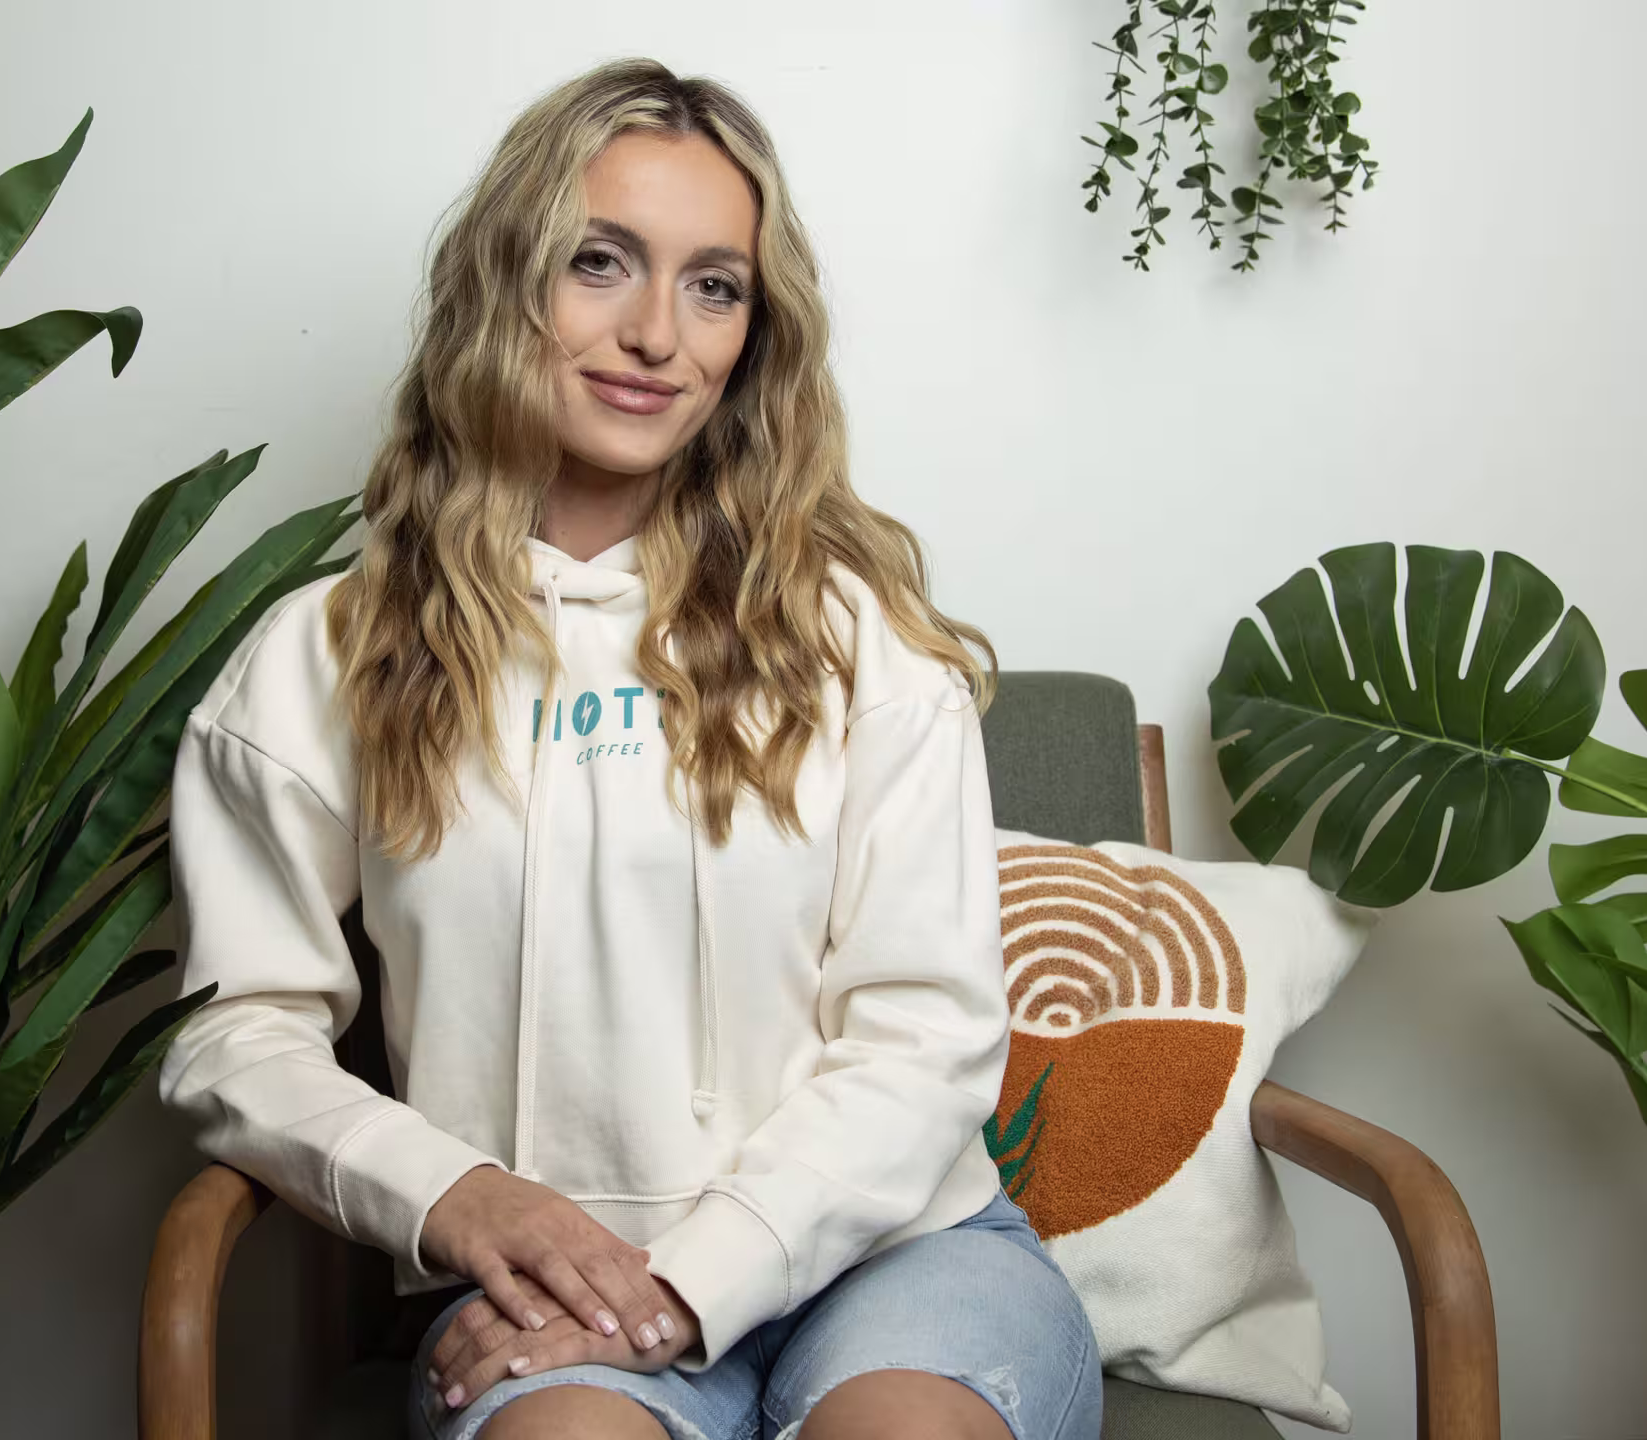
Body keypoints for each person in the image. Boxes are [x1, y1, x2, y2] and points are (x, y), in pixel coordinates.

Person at [159, 57, 1102, 1440]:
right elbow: (236, 1032)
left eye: (714, 285)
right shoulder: (328, 655)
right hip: (554, 1295)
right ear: (506, 286)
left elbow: (926, 1033)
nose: (658, 333)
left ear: (752, 337)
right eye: (601, 263)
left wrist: (698, 1276)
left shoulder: (856, 639)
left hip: (900, 1261)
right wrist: (459, 1199)